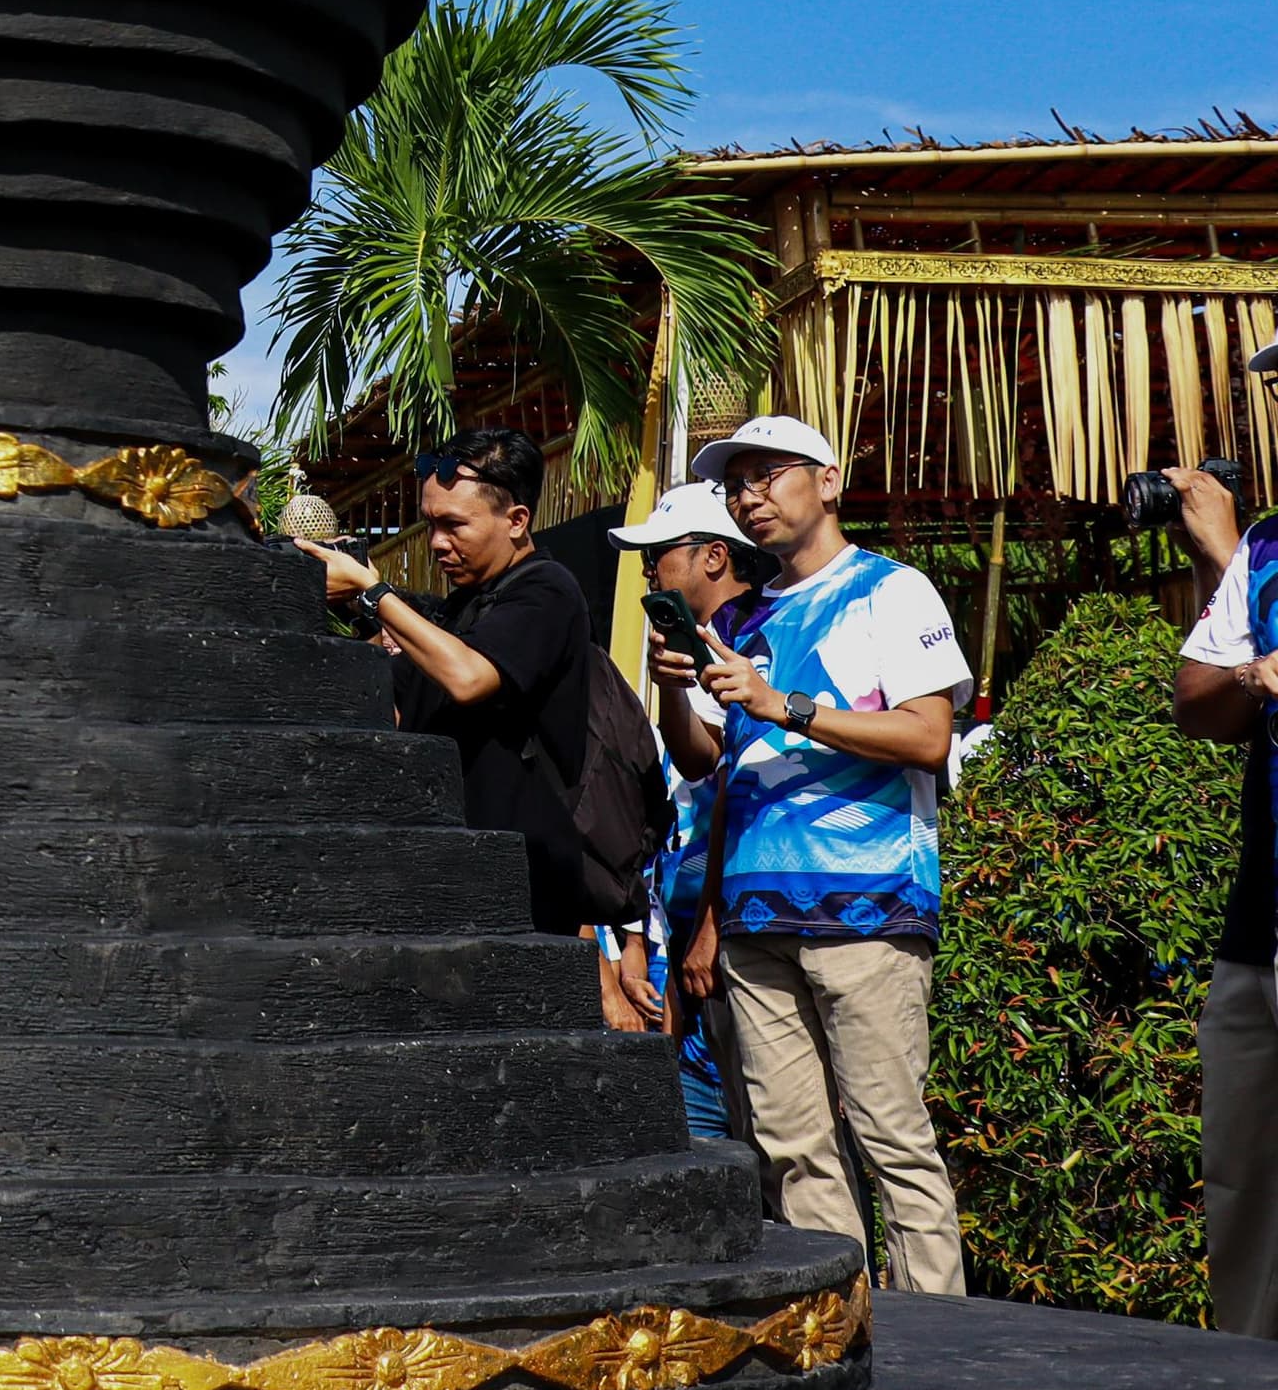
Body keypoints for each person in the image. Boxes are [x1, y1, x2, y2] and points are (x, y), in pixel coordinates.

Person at [655, 412, 970, 1296]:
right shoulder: (745, 615)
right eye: (735, 484)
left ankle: (944, 1352)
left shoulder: (891, 590)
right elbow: (704, 761)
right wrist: (677, 692)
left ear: (828, 481)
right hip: (757, 917)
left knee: (892, 1141)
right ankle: (845, 1335)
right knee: (793, 1152)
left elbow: (927, 737)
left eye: (769, 474)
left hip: (869, 906)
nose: (750, 496)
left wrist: (781, 701)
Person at [310, 428, 607, 944]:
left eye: (454, 525)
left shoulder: (546, 590)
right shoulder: (457, 610)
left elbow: (470, 678)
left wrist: (370, 589)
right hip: (452, 873)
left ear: (516, 521)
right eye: (429, 524)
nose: (437, 544)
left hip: (524, 880)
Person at [618, 481, 775, 1140]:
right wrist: (672, 693)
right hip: (697, 925)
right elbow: (699, 763)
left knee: (774, 1124)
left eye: (661, 553)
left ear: (715, 556)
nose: (650, 570)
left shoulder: (758, 636)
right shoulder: (698, 643)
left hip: (747, 914)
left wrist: (710, 924)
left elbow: (738, 795)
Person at [1169, 413, 1278, 1337]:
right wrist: (1253, 675)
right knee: (1241, 1181)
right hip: (1258, 928)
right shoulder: (1269, 546)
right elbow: (1196, 700)